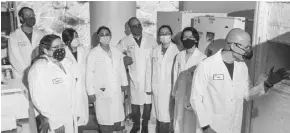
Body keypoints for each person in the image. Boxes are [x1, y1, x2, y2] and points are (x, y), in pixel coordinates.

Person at [190, 28, 290, 133]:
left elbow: (246, 94)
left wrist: (269, 83)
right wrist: (206, 127)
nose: (249, 52)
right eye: (246, 47)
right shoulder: (206, 66)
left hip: (233, 127)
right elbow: (195, 99)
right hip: (211, 127)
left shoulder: (242, 67)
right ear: (233, 46)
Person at [28, 34, 78, 133]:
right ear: (46, 50)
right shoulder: (38, 69)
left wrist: (75, 113)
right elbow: (38, 99)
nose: (60, 49)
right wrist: (55, 122)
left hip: (70, 115)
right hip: (55, 120)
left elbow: (72, 90)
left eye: (61, 46)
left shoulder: (67, 63)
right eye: (56, 47)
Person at [116, 17, 158, 133]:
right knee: (135, 105)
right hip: (135, 77)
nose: (138, 27)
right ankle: (136, 126)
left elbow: (157, 53)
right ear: (129, 28)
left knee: (148, 105)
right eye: (134, 26)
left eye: (139, 25)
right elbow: (116, 53)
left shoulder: (150, 38)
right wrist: (124, 57)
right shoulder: (126, 41)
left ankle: (144, 126)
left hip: (149, 77)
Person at [86, 26, 129, 133]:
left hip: (116, 90)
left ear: (110, 36)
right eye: (102, 35)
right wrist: (90, 92)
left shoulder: (116, 51)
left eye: (107, 34)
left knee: (117, 119)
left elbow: (121, 68)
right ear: (98, 37)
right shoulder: (93, 53)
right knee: (105, 120)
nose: (105, 37)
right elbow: (89, 74)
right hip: (101, 90)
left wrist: (124, 83)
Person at [172, 27, 207, 133]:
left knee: (191, 126)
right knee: (178, 124)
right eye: (185, 37)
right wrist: (174, 93)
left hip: (193, 97)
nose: (187, 39)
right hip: (180, 95)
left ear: (196, 39)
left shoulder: (202, 58)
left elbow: (203, 82)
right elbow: (175, 75)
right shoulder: (179, 56)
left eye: (190, 37)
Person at [145, 25, 179, 133]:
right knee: (156, 115)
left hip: (170, 89)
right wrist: (148, 87)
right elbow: (149, 69)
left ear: (171, 35)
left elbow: (178, 73)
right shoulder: (155, 50)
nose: (164, 36)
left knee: (166, 116)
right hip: (156, 88)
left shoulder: (177, 51)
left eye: (167, 33)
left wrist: (176, 90)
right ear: (159, 36)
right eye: (162, 34)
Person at [62, 28, 90, 133]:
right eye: (74, 37)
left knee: (82, 120)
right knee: (71, 121)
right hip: (70, 91)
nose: (77, 39)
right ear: (68, 40)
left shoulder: (84, 51)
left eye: (77, 36)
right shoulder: (62, 53)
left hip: (82, 89)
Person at [8, 7, 45, 80]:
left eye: (32, 15)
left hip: (39, 73)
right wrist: (28, 72)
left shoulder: (41, 34)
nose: (31, 17)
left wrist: (37, 71)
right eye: (28, 16)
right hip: (21, 74)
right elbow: (15, 59)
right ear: (21, 18)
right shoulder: (13, 36)